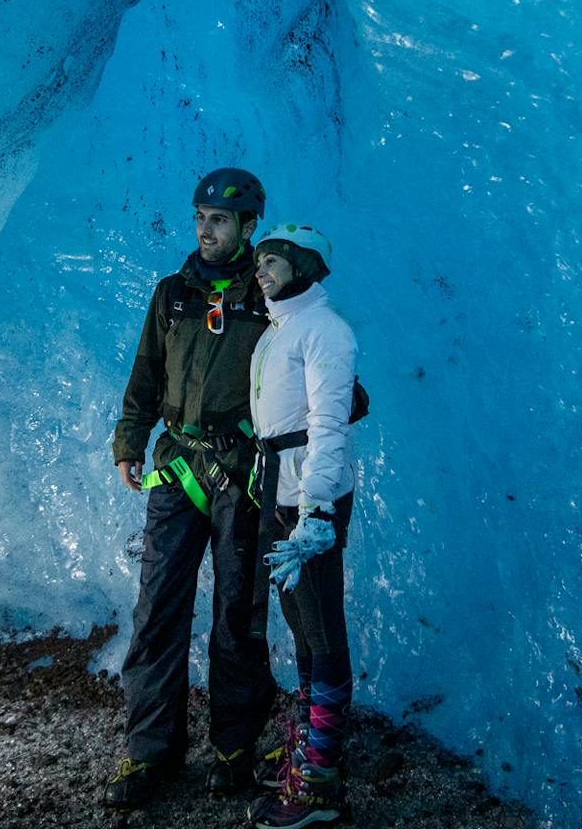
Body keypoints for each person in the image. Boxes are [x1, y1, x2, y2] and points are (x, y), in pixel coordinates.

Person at [101, 167, 279, 810]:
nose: (206, 230)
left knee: (238, 611)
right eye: (201, 218)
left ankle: (234, 745)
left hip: (242, 471)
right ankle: (150, 751)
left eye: (221, 220)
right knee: (157, 611)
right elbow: (145, 371)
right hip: (178, 467)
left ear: (249, 227)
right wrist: (130, 441)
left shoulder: (270, 298)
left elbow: (307, 363)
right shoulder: (172, 294)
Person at [244, 223, 358, 828]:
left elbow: (328, 424)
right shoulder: (280, 328)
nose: (261, 269)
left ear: (305, 264)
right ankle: (310, 745)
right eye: (260, 260)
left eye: (274, 260)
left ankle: (319, 781)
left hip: (307, 499)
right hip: (280, 490)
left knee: (321, 628)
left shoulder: (325, 331)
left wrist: (316, 511)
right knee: (301, 626)